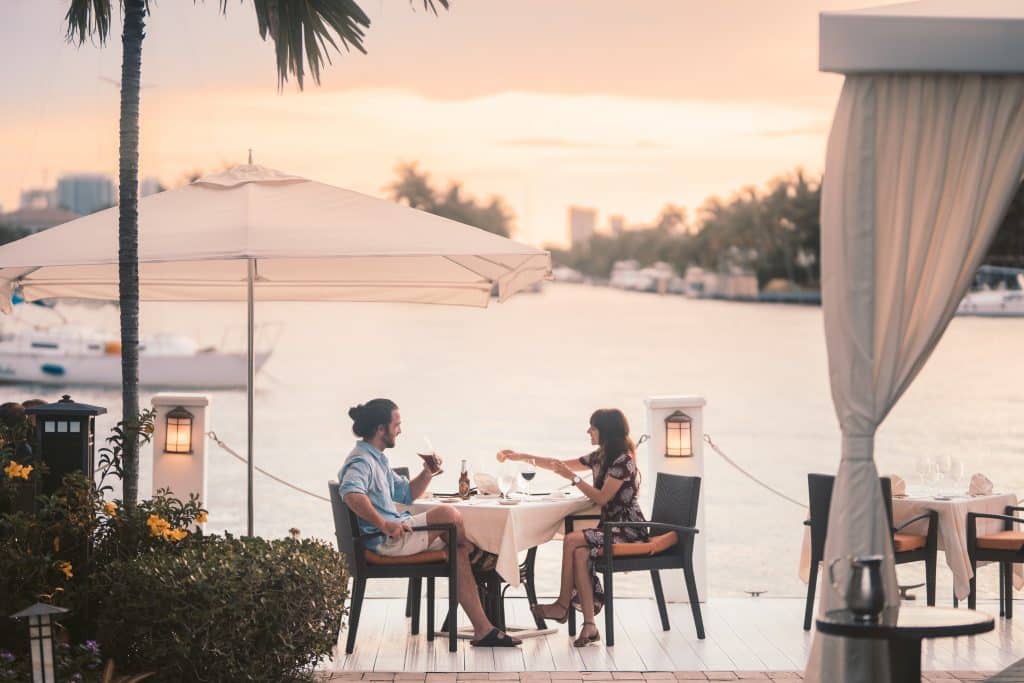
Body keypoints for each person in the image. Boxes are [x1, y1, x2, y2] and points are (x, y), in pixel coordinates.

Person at [338, 398, 520, 648]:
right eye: (396, 425)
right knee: (449, 515)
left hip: (395, 534)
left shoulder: (377, 458)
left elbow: (406, 494)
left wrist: (427, 472)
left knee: (456, 549)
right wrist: (385, 525)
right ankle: (476, 554)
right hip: (386, 542)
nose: (400, 430)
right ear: (381, 429)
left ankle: (483, 629)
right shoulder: (362, 461)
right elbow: (351, 494)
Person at [497, 408, 647, 647]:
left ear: (605, 431)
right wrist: (519, 456)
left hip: (627, 531)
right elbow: (557, 465)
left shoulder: (623, 462)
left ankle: (562, 605)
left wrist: (573, 478)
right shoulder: (601, 456)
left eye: (593, 427)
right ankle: (589, 626)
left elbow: (601, 499)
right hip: (609, 529)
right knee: (579, 551)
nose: (588, 431)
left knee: (572, 540)